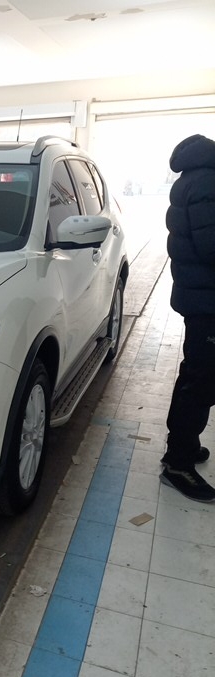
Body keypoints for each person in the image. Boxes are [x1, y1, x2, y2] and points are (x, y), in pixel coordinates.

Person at [160, 133, 215, 502]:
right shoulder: (207, 182)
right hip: (206, 299)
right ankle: (177, 463)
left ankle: (184, 443)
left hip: (200, 295)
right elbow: (211, 245)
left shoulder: (194, 178)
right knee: (201, 379)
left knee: (197, 374)